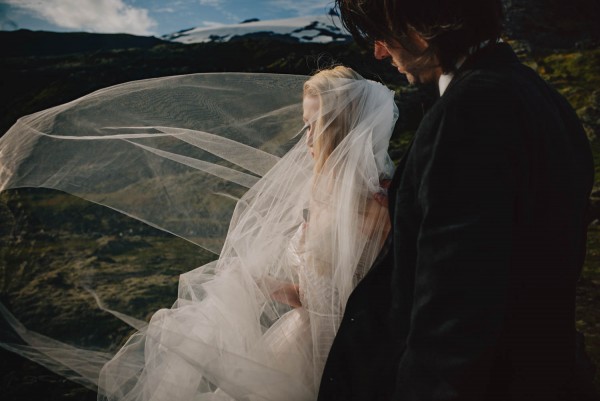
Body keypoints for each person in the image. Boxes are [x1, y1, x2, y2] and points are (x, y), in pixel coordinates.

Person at [0, 67, 397, 400]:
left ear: (343, 129)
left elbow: (356, 304)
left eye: (315, 126)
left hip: (340, 358)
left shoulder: (377, 207)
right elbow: (319, 296)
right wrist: (263, 285)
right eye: (304, 126)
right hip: (304, 343)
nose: (307, 140)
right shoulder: (326, 196)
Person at [317, 1, 598, 401]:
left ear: (418, 23)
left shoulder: (470, 113)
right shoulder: (545, 98)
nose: (379, 51)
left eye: (381, 33)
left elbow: (455, 317)